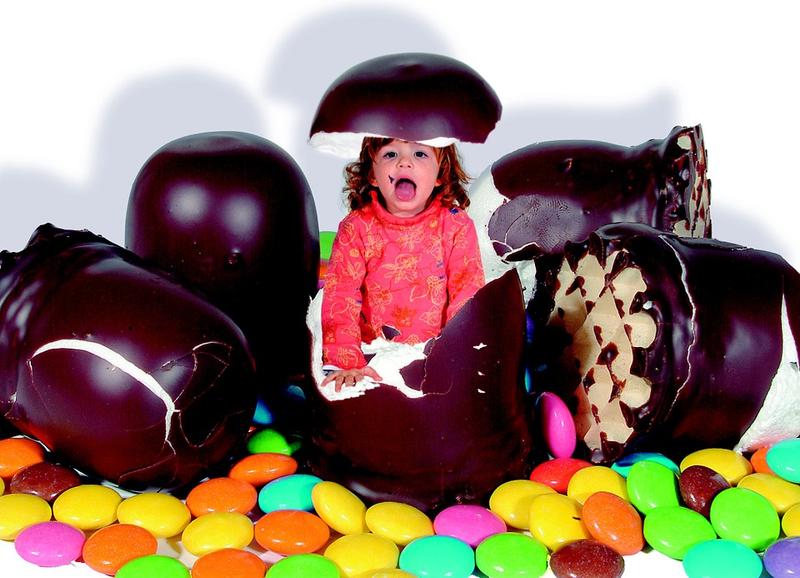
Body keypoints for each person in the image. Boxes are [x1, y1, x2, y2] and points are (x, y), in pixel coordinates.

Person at [321, 137, 485, 390]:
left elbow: (467, 292)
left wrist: (460, 353)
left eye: (420, 154)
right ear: (373, 175)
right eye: (390, 154)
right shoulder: (356, 227)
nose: (404, 162)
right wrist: (346, 362)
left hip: (435, 354)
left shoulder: (456, 225)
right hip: (372, 355)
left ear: (440, 175)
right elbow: (340, 295)